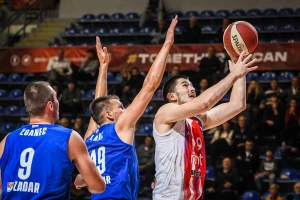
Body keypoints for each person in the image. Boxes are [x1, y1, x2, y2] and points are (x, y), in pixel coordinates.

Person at [75, 17, 178, 200]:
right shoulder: (120, 126)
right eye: (121, 107)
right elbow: (150, 85)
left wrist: (103, 67)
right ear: (109, 114)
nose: (125, 110)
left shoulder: (89, 137)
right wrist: (167, 45)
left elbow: (99, 102)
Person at [152, 49, 258, 199]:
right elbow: (204, 103)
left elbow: (237, 104)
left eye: (192, 85)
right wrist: (233, 75)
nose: (192, 88)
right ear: (172, 96)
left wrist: (238, 69)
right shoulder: (165, 112)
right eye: (185, 85)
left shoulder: (198, 120)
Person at [0, 81, 105, 199]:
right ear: (50, 105)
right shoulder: (69, 137)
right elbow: (98, 187)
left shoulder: (7, 140)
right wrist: (83, 179)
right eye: (56, 100)